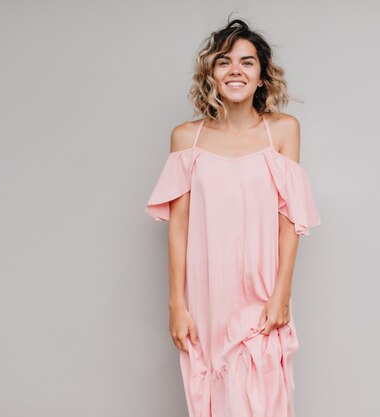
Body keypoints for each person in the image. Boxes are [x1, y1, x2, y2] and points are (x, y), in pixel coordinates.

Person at [145, 18, 321, 417]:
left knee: (264, 395)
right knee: (214, 395)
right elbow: (179, 227)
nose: (236, 70)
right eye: (224, 62)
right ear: (212, 73)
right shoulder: (187, 139)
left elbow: (290, 221)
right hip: (208, 294)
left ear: (262, 76)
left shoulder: (282, 132)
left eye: (247, 62)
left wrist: (281, 295)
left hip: (260, 290)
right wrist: (177, 304)